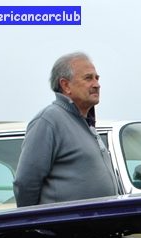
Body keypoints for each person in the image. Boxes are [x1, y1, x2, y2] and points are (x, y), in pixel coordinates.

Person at [14, 52, 122, 207]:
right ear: (65, 85)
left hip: (96, 227)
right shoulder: (48, 120)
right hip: (64, 229)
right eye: (88, 78)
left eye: (97, 78)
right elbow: (25, 182)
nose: (96, 84)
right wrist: (33, 224)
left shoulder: (86, 123)